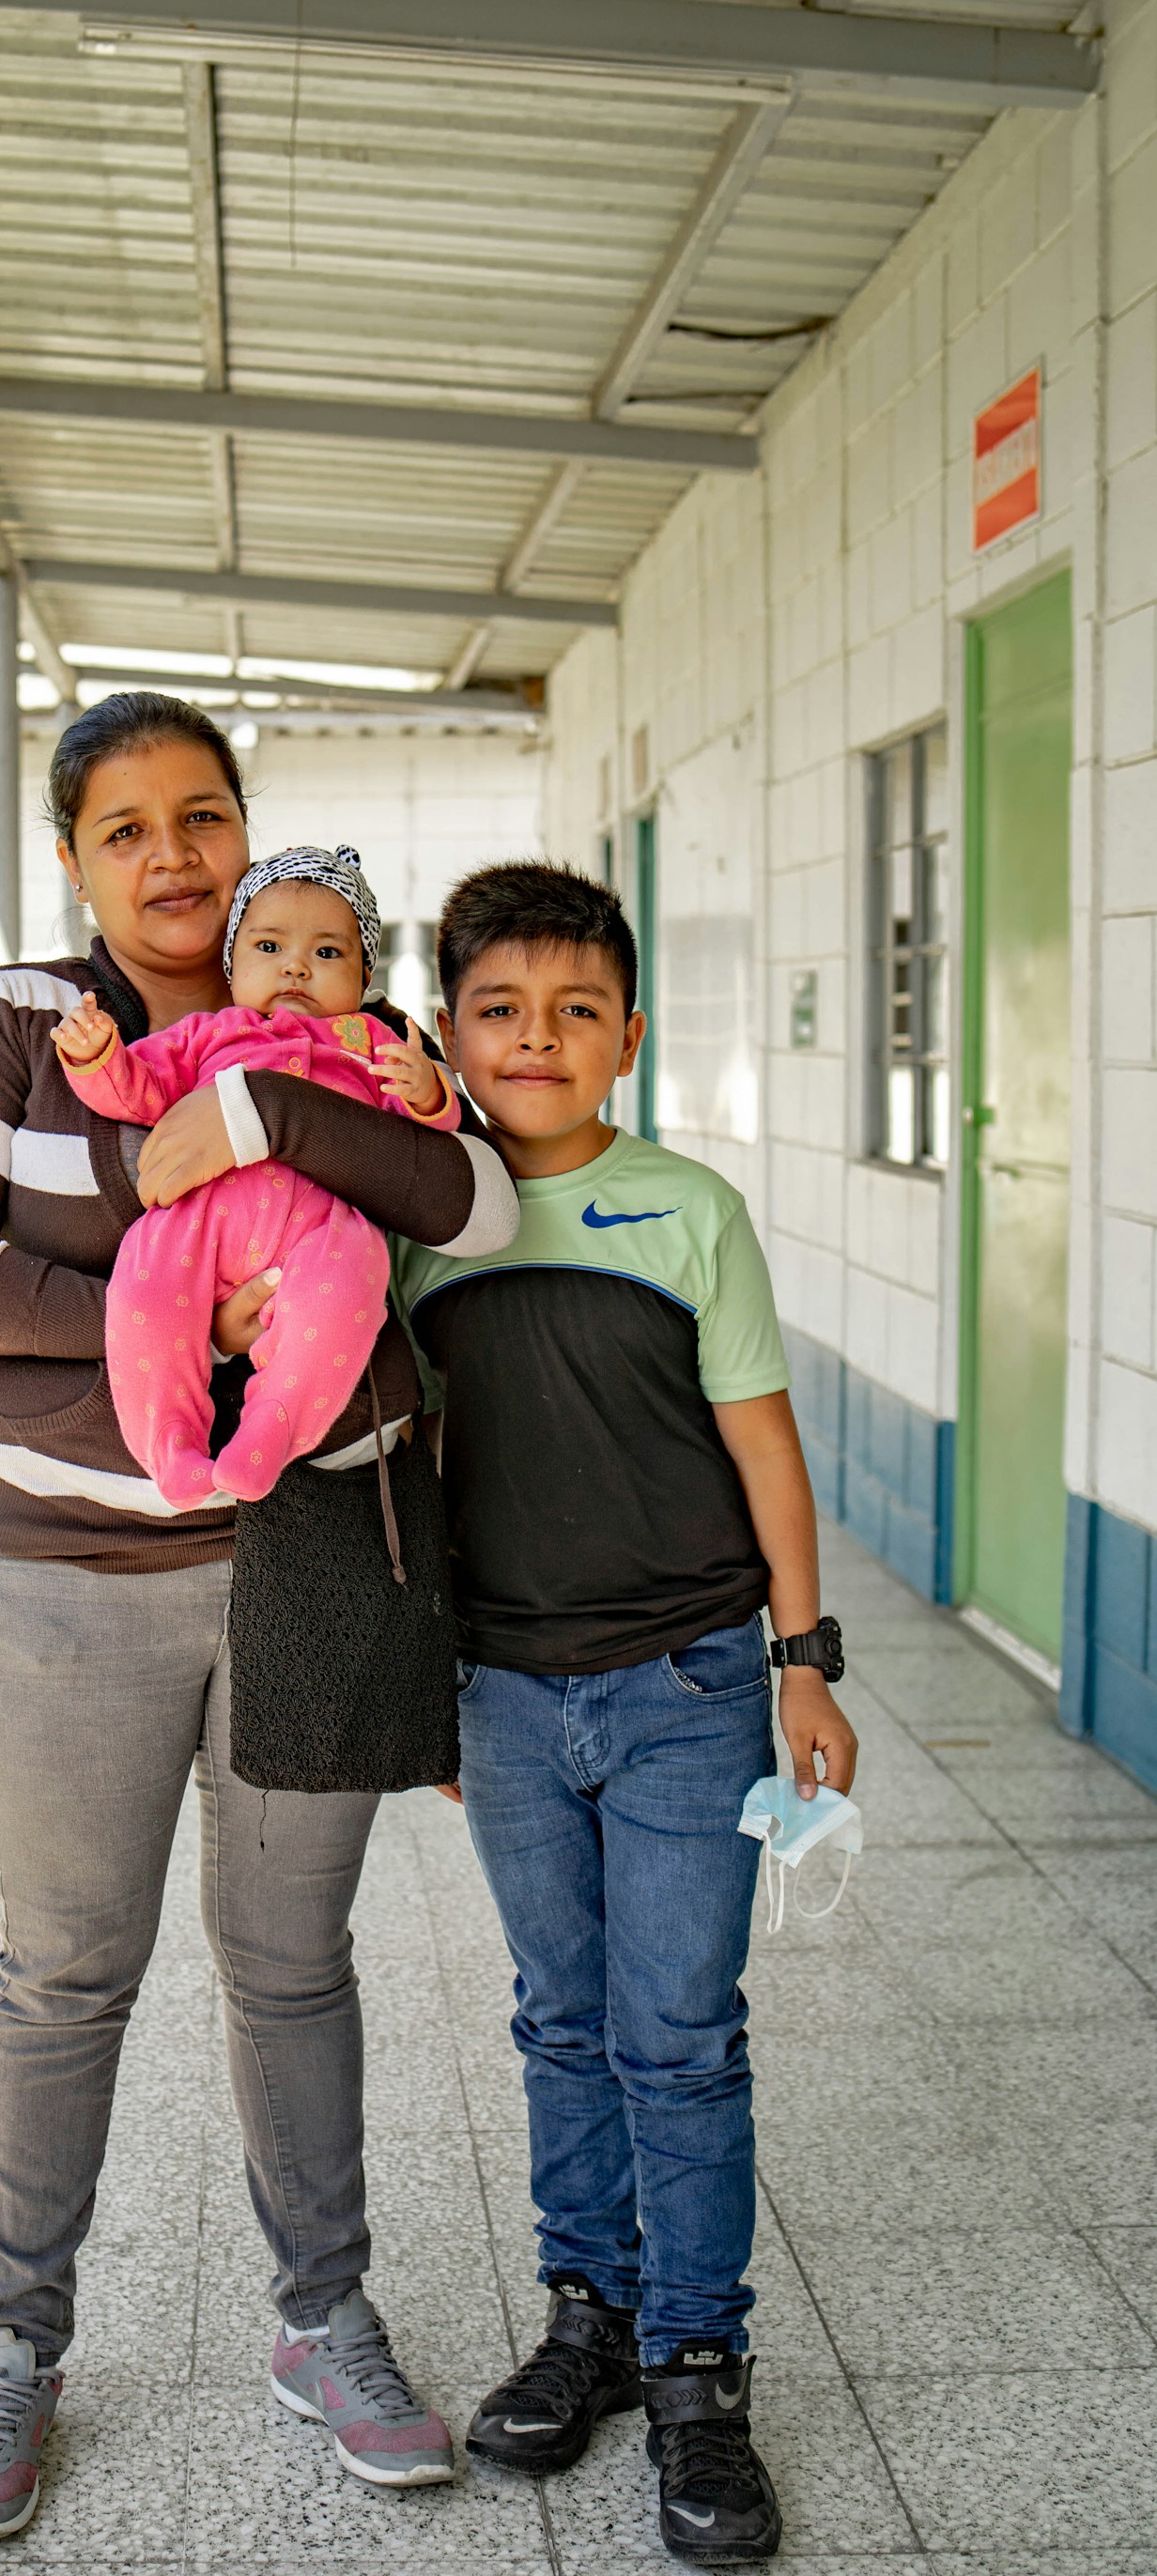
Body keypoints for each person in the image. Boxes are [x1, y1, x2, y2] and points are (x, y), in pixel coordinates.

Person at [0, 692, 518, 2543]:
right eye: (128, 828)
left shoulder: (342, 1011)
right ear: (74, 860)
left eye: (205, 817)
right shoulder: (15, 1025)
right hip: (64, 1593)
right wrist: (179, 1324)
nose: (175, 857)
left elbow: (465, 1198)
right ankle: (13, 2348)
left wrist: (254, 1097)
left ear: (252, 835)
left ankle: (323, 2319)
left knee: (294, 1965)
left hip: (308, 1574)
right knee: (66, 1969)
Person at [391, 861, 858, 2568]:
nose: (537, 1038)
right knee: (560, 2023)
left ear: (630, 1038)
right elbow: (413, 1466)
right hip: (505, 1695)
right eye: (500, 1010)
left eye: (576, 1009)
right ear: (450, 1032)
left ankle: (697, 2363)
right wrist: (424, 1687)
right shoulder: (425, 1218)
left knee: (679, 2034)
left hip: (688, 1690)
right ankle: (586, 2319)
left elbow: (764, 1446)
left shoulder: (690, 1211)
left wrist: (805, 1658)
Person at [52, 841, 459, 1505]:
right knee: (143, 1293)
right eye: (269, 947)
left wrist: (428, 1090)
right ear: (232, 964)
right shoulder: (209, 1033)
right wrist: (97, 1056)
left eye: (327, 953)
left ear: (362, 978)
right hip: (199, 1221)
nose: (296, 966)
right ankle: (172, 1446)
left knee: (356, 1279)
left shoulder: (368, 1041)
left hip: (319, 1230)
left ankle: (272, 1432)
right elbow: (139, 1090)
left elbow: (428, 1137)